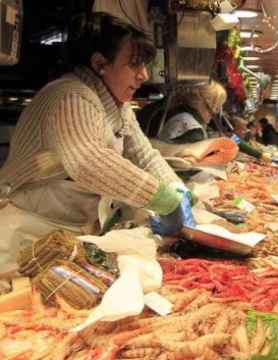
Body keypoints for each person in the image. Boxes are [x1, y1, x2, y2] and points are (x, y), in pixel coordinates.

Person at [0, 13, 193, 270]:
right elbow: (87, 162)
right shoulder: (69, 96)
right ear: (100, 63)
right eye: (135, 64)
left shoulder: (116, 106)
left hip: (67, 235)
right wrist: (160, 198)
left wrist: (176, 189)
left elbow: (143, 154)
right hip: (27, 235)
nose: (144, 75)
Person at [139, 81, 227, 143]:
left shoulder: (177, 112)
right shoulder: (192, 129)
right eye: (215, 106)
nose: (217, 111)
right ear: (202, 102)